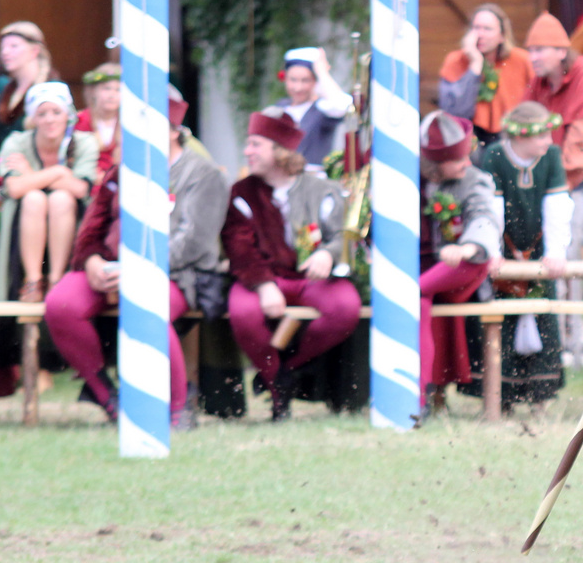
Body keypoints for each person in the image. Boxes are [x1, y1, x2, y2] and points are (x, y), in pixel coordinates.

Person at [44, 87, 225, 428]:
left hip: (176, 274)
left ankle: (177, 407)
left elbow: (195, 241)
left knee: (147, 302)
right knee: (60, 305)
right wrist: (94, 261)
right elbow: (92, 229)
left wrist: (140, 269)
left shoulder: (203, 174)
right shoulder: (122, 170)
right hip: (112, 267)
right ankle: (106, 395)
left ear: (173, 131)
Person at [221, 108, 361, 419]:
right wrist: (263, 285)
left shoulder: (320, 189)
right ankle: (277, 389)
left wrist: (328, 252)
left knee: (345, 308)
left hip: (310, 278)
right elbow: (239, 248)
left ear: (279, 150)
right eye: (248, 144)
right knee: (244, 313)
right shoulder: (241, 193)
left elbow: (342, 235)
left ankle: (287, 369)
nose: (248, 152)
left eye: (256, 144)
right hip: (263, 276)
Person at [477, 101, 574, 409]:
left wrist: (556, 252)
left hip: (540, 250)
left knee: (544, 316)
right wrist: (492, 253)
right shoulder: (493, 156)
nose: (549, 141)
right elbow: (487, 208)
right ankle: (500, 396)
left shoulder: (552, 157)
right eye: (542, 135)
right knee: (502, 320)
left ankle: (539, 396)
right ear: (521, 135)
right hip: (502, 253)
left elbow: (557, 205)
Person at [417, 110, 502, 410]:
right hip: (423, 272)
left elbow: (484, 216)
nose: (467, 162)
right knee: (418, 301)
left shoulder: (474, 179)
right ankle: (421, 395)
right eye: (457, 159)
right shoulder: (409, 180)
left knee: (413, 292)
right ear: (432, 165)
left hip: (460, 269)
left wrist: (467, 247)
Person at [0, 82, 97, 306]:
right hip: (23, 220)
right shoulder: (17, 142)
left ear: (68, 114)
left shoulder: (84, 142)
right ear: (33, 118)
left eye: (56, 112)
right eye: (42, 114)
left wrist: (32, 175)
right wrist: (59, 172)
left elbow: (82, 188)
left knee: (60, 198)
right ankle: (33, 280)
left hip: (73, 215)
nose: (50, 119)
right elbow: (13, 188)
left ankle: (56, 279)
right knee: (34, 198)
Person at [520, 13, 583, 190]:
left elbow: (582, 150)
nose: (532, 58)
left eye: (540, 50)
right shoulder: (540, 80)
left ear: (562, 51)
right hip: (553, 173)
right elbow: (521, 127)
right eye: (531, 50)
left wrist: (551, 189)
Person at [437, 3, 534, 147]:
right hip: (469, 138)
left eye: (487, 29)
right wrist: (475, 64)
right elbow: (455, 113)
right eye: (476, 28)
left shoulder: (521, 60)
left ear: (502, 36)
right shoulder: (455, 61)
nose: (480, 35)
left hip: (512, 137)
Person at [276, 47, 352, 170]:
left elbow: (342, 106)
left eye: (305, 80)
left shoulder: (322, 109)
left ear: (316, 81)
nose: (298, 87)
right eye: (293, 80)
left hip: (312, 183)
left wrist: (322, 72)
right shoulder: (280, 107)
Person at [0, 21, 57, 151]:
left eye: (13, 46)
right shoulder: (5, 88)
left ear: (34, 51)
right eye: (3, 47)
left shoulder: (51, 88)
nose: (5, 52)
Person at [75, 63, 121, 177]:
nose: (112, 95)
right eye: (107, 89)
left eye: (118, 90)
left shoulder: (129, 124)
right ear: (93, 91)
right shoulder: (80, 120)